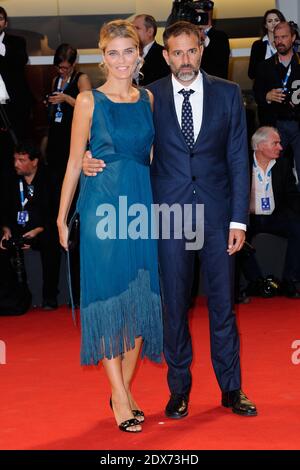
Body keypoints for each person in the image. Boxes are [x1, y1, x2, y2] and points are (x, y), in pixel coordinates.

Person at [83, 21, 257, 419]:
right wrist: (90, 160)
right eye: (176, 52)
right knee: (173, 307)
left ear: (202, 50)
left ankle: (232, 389)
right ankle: (179, 391)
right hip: (168, 216)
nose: (184, 59)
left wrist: (238, 221)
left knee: (223, 307)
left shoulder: (228, 94)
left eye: (191, 51)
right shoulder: (150, 97)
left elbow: (236, 160)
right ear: (164, 56)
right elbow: (124, 142)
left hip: (216, 217)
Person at [57, 20, 163, 433]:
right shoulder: (87, 101)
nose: (121, 60)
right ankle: (120, 395)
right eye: (113, 53)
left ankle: (125, 388)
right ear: (103, 58)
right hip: (102, 205)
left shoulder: (149, 99)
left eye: (128, 51)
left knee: (139, 303)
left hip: (139, 207)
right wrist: (61, 216)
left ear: (139, 54)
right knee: (106, 301)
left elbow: (151, 158)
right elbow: (72, 160)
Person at [240, 127, 300, 299]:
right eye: (275, 143)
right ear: (259, 146)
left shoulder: (282, 164)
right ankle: (257, 281)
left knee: (298, 228)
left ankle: (290, 280)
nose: (280, 147)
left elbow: (292, 195)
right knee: (236, 239)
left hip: (275, 216)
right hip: (249, 218)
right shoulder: (242, 164)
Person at [0, 141, 61, 310]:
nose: (16, 164)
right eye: (15, 159)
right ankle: (11, 297)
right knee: (2, 245)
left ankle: (49, 297)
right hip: (17, 229)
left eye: (21, 160)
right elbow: (4, 207)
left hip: (41, 229)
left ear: (34, 161)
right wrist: (6, 229)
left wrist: (39, 229)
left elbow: (56, 210)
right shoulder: (11, 178)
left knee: (51, 241)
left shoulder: (50, 177)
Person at [253, 22, 300, 184]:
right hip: (276, 126)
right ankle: (280, 207)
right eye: (276, 37)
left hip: (298, 124)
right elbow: (256, 94)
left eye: (284, 37)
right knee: (278, 171)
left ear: (293, 38)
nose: (279, 41)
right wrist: (267, 95)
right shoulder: (264, 67)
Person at [0, 6, 32, 175]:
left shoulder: (17, 42)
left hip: (14, 108)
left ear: (5, 23)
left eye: (0, 18)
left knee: (16, 154)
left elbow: (19, 63)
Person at [248, 9, 286, 80]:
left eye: (276, 20)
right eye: (270, 21)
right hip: (265, 86)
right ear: (265, 25)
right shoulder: (257, 45)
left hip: (286, 84)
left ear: (282, 23)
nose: (273, 23)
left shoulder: (289, 43)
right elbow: (251, 74)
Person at [132, 14, 170, 85]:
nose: (132, 32)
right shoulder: (129, 54)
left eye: (137, 28)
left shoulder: (164, 55)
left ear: (150, 31)